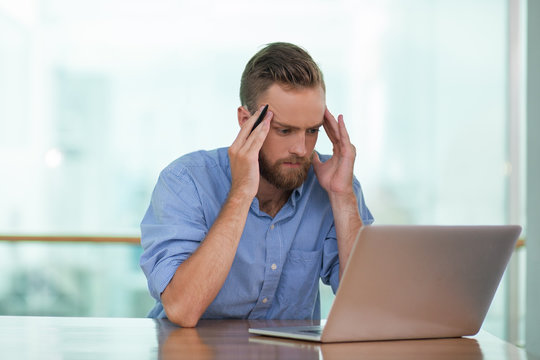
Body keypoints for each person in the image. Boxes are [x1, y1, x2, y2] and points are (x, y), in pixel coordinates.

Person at [140, 42, 374, 327]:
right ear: (245, 121)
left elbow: (367, 307)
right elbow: (182, 309)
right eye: (284, 130)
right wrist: (241, 193)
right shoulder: (186, 182)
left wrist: (343, 196)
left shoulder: (335, 184)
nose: (301, 149)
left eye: (312, 130)